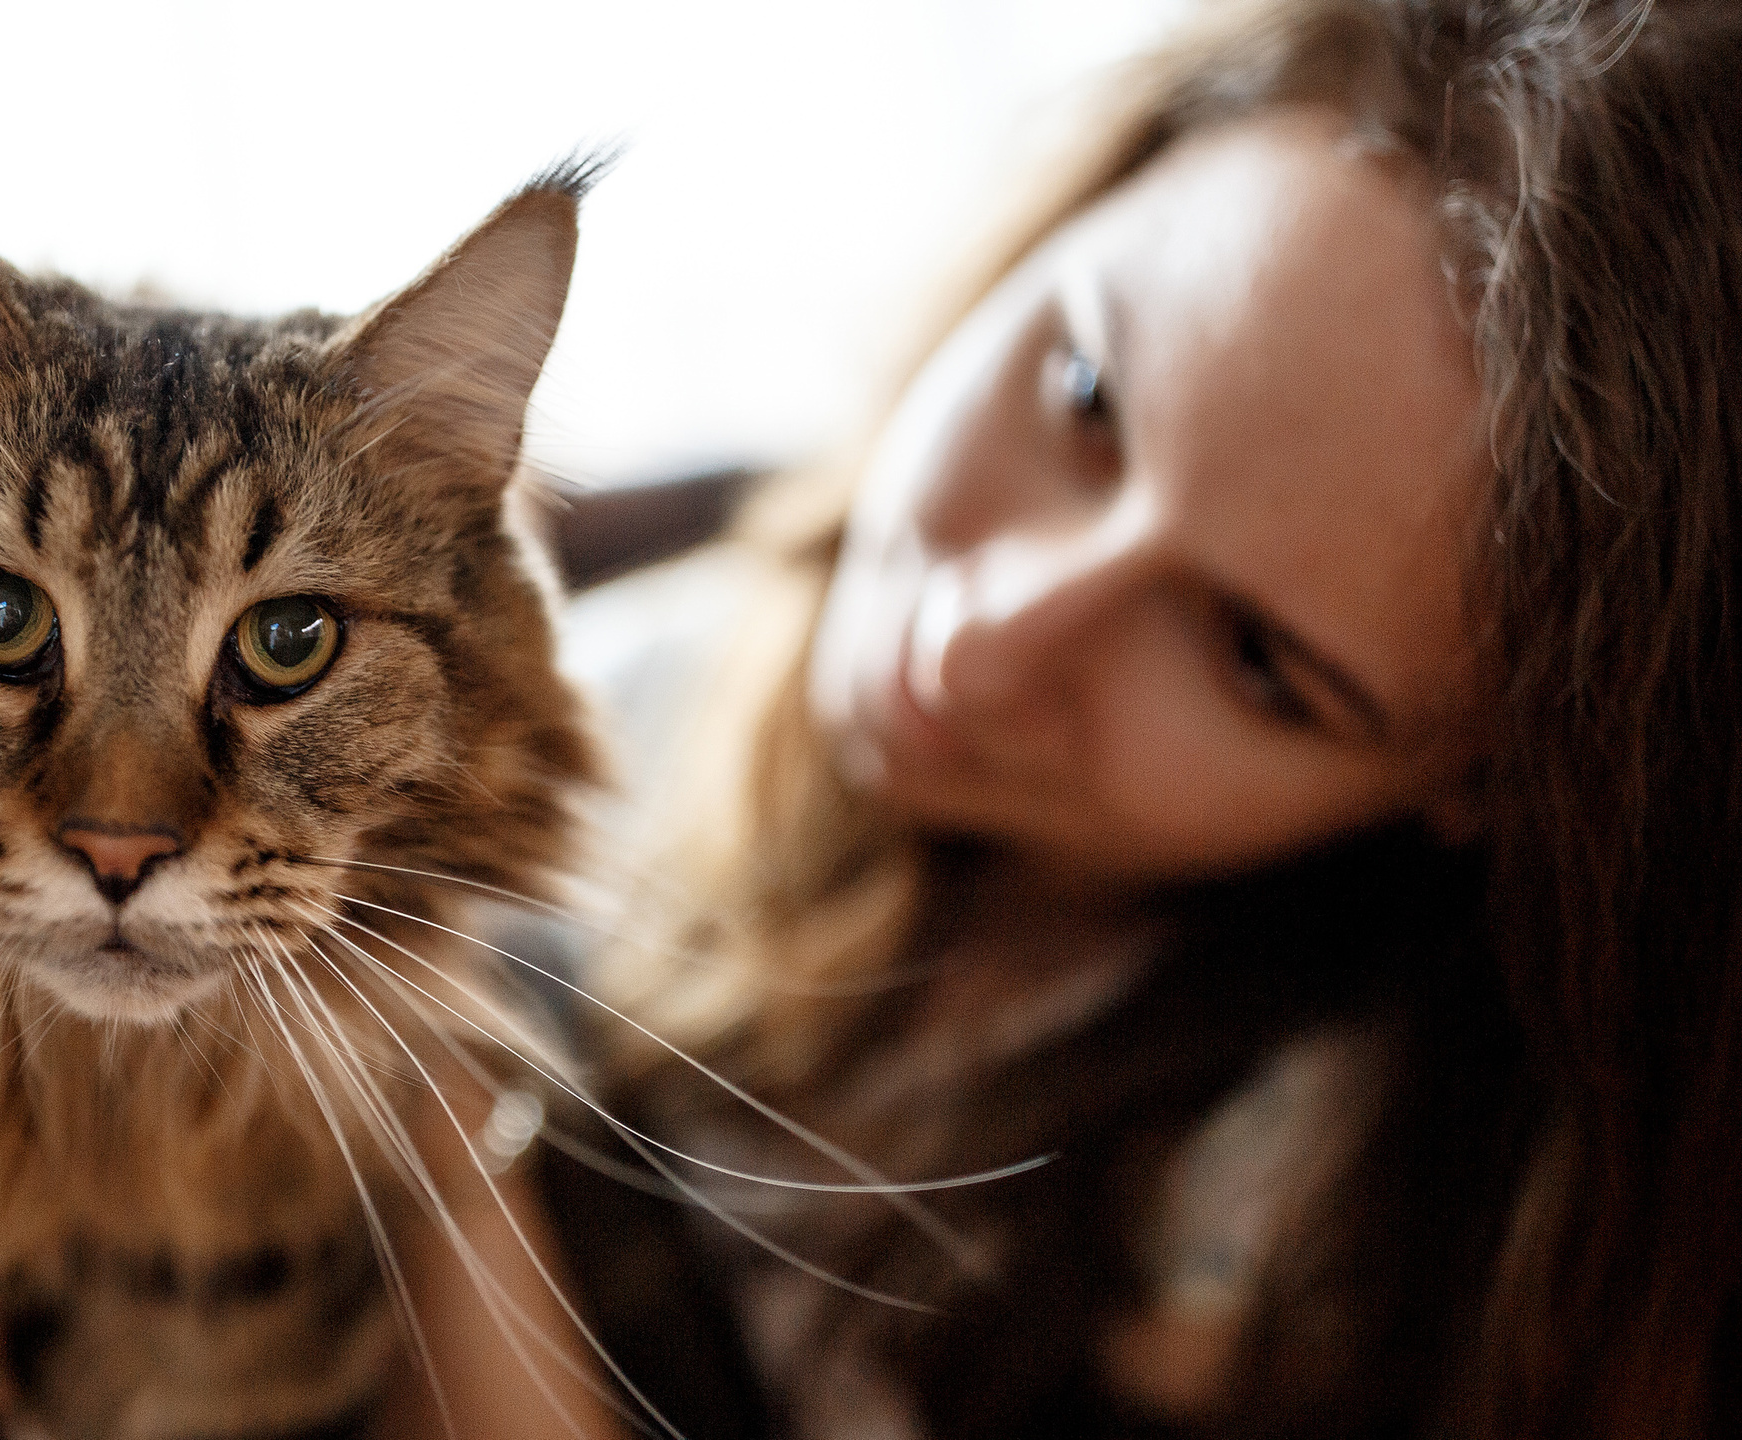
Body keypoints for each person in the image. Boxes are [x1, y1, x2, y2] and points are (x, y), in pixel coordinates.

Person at [384, 1, 1742, 1438]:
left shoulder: (1286, 1216)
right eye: (1088, 395)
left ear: (1470, 791)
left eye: (1255, 662)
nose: (978, 644)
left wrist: (434, 1106)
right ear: (1074, 207)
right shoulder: (631, 593)